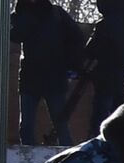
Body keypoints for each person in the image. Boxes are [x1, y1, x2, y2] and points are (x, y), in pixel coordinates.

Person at [10, 0, 85, 146]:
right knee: (27, 126)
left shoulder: (56, 14)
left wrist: (72, 66)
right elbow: (16, 35)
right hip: (33, 76)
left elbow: (76, 38)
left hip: (51, 76)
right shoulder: (23, 14)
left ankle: (64, 157)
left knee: (60, 126)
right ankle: (28, 161)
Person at [85, 0, 124, 135]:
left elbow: (92, 49)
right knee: (121, 112)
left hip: (105, 74)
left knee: (100, 114)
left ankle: (98, 139)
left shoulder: (107, 23)